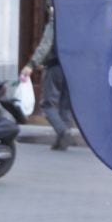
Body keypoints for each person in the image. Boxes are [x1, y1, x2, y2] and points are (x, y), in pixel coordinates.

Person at [23, 9, 76, 150]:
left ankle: (63, 131)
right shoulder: (77, 23)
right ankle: (63, 140)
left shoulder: (56, 23)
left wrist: (32, 64)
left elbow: (46, 45)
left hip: (55, 67)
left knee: (47, 105)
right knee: (65, 105)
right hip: (72, 70)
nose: (50, 10)